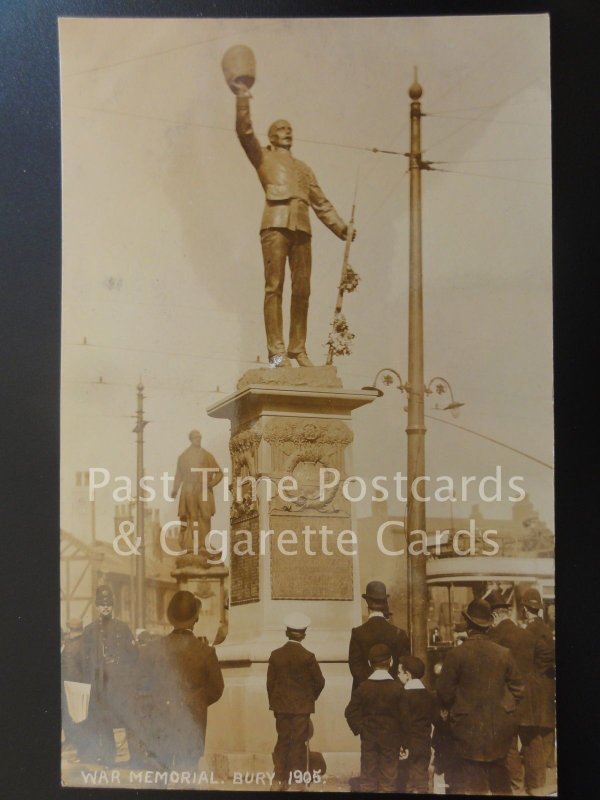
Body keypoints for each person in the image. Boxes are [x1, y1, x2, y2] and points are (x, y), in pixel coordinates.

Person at [234, 87, 355, 367]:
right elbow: (244, 132)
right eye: (281, 128)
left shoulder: (304, 168)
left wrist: (342, 229)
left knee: (302, 290)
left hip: (302, 228)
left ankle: (297, 348)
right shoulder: (263, 157)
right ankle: (277, 353)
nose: (288, 131)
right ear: (272, 136)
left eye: (290, 128)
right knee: (274, 287)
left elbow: (321, 202)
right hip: (275, 225)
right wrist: (242, 98)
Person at [436, 598, 525, 795]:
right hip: (499, 731)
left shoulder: (456, 655)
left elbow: (444, 693)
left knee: (474, 784)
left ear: (468, 625)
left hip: (466, 731)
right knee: (501, 784)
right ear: (488, 624)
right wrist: (503, 710)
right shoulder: (504, 654)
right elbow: (519, 689)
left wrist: (458, 709)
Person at [136, 590, 224, 770]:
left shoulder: (152, 650)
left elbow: (140, 686)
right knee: (187, 778)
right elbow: (216, 689)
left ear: (170, 618)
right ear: (196, 618)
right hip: (191, 726)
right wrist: (196, 700)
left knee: (160, 779)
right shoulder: (205, 652)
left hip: (160, 726)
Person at [78, 585, 139, 765]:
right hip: (99, 685)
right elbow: (84, 660)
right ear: (97, 606)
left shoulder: (122, 628)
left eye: (109, 604)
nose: (106, 607)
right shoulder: (89, 631)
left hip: (119, 684)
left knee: (126, 719)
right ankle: (107, 756)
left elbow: (133, 655)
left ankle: (131, 757)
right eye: (102, 604)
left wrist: (125, 673)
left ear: (113, 606)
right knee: (102, 721)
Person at [266, 613, 325, 791]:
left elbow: (270, 684)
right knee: (299, 743)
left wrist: (275, 704)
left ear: (286, 632)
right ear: (304, 634)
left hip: (281, 707)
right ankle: (297, 781)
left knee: (283, 740)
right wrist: (309, 699)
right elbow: (320, 682)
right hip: (302, 708)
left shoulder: (276, 655)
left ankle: (278, 780)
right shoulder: (308, 657)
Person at [345, 644, 410, 793]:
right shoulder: (398, 689)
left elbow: (350, 712)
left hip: (369, 739)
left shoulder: (363, 688)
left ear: (369, 663)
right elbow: (405, 718)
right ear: (391, 662)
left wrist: (361, 729)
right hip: (391, 740)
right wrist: (404, 743)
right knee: (389, 779)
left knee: (368, 779)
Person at [518, 588, 556, 796]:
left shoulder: (527, 634)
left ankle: (535, 786)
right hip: (547, 692)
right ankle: (547, 784)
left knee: (532, 740)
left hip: (531, 694)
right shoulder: (547, 630)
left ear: (524, 609)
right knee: (546, 737)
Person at [348, 581, 410, 692]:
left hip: (365, 697)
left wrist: (370, 688)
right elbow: (404, 666)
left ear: (367, 603)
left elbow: (355, 669)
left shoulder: (358, 633)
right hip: (393, 696)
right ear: (384, 603)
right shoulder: (399, 634)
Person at [171, 430, 223, 554]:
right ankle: (193, 544)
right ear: (191, 439)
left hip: (203, 489)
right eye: (196, 437)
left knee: (205, 516)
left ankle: (205, 544)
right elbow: (178, 475)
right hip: (188, 489)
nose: (198, 439)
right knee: (191, 516)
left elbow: (219, 473)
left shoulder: (207, 455)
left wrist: (211, 484)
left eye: (199, 437)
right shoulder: (183, 457)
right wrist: (175, 489)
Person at [396, 655, 435, 794]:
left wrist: (403, 744)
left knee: (406, 781)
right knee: (422, 779)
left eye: (399, 672)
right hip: (424, 744)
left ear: (408, 674)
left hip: (408, 745)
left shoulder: (403, 696)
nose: (398, 676)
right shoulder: (429, 695)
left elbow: (403, 722)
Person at [61, 618, 85, 757]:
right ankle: (72, 741)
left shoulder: (72, 646)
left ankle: (73, 742)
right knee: (74, 715)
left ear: (71, 630)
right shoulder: (81, 643)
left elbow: (70, 669)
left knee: (71, 715)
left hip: (70, 685)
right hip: (75, 685)